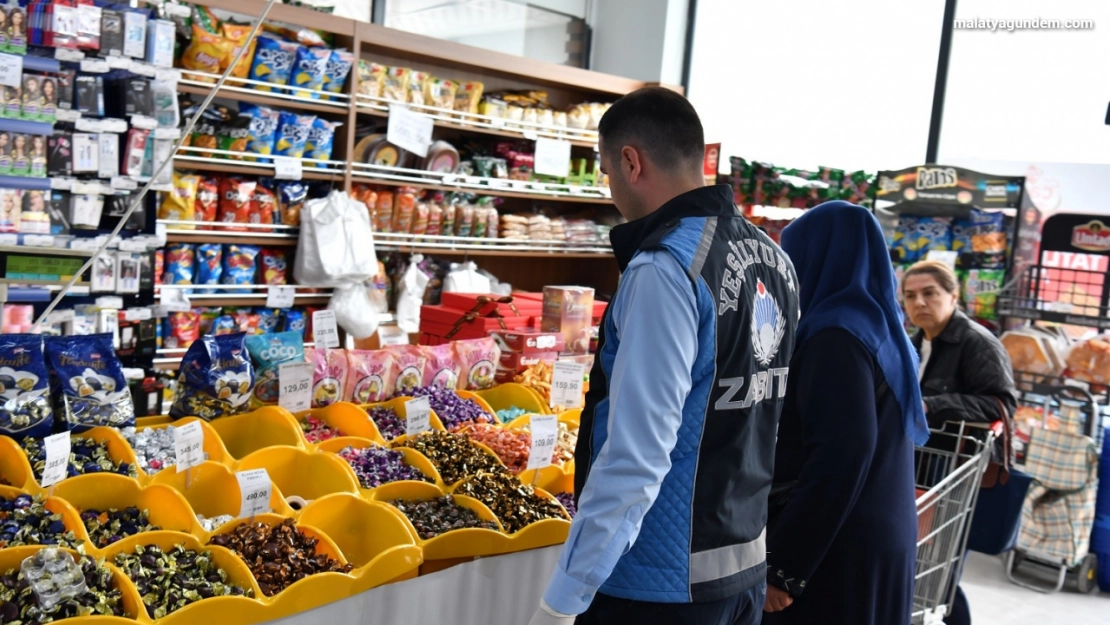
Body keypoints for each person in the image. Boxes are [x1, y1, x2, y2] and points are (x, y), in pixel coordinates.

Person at [528, 86, 799, 625]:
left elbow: (638, 454)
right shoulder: (774, 258)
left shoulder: (665, 268)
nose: (609, 189)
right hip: (741, 563)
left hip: (659, 583)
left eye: (606, 171)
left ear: (631, 162)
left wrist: (564, 598)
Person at [763, 201, 928, 625]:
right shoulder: (881, 326)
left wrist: (785, 568)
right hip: (880, 526)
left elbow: (841, 454)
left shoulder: (834, 336)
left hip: (838, 544)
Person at [902, 260, 1017, 625]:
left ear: (954, 296)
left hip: (955, 471)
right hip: (919, 468)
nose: (919, 302)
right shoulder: (911, 344)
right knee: (921, 570)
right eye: (910, 295)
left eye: (930, 293)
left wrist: (933, 405)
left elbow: (1001, 404)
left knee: (939, 572)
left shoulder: (976, 342)